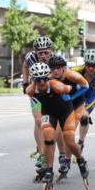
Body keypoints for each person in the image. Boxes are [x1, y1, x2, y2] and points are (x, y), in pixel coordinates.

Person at [25, 62, 89, 190]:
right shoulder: (30, 91)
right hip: (49, 113)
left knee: (69, 140)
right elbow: (37, 108)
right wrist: (39, 118)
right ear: (33, 80)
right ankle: (49, 170)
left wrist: (71, 98)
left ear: (48, 78)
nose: (42, 82)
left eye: (44, 79)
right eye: (38, 80)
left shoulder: (57, 86)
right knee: (48, 137)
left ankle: (81, 161)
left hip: (65, 111)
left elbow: (77, 88)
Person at [47, 54, 88, 181]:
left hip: (76, 104)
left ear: (64, 68)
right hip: (64, 105)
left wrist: (71, 97)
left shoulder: (72, 75)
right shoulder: (49, 78)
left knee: (68, 134)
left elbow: (86, 86)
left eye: (58, 68)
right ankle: (64, 158)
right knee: (58, 131)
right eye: (53, 68)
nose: (55, 71)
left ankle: (69, 160)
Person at [24, 37, 54, 167]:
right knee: (38, 121)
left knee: (52, 124)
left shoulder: (55, 60)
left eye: (46, 52)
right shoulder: (30, 57)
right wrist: (25, 82)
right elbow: (25, 66)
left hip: (51, 93)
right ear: (35, 52)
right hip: (36, 92)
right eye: (40, 53)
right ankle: (42, 154)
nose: (43, 56)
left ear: (51, 51)